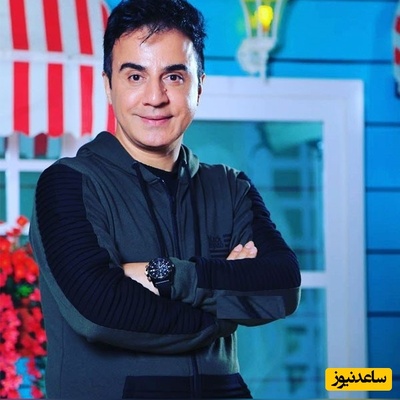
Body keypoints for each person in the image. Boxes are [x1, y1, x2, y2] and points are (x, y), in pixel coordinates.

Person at [29, 0, 301, 398]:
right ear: (108, 86)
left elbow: (282, 287)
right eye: (135, 76)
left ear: (199, 85)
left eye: (173, 76)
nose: (154, 97)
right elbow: (99, 310)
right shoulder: (68, 184)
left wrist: (168, 275)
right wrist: (220, 315)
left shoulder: (230, 187)